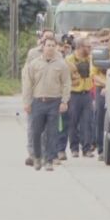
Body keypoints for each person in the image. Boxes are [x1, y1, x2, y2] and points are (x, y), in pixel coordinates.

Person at [22, 37, 71, 171]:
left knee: (52, 133)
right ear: (43, 47)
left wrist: (64, 101)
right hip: (38, 102)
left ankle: (49, 160)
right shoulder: (34, 64)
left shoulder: (61, 65)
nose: (50, 48)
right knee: (36, 132)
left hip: (54, 102)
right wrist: (27, 102)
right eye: (48, 45)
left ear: (56, 48)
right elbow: (28, 84)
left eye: (52, 45)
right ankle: (37, 157)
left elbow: (66, 83)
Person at [22, 30, 58, 166]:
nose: (48, 40)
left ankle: (47, 154)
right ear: (41, 40)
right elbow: (27, 76)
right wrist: (27, 99)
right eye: (46, 37)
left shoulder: (58, 55)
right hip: (35, 96)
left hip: (52, 98)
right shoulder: (33, 54)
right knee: (33, 127)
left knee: (50, 128)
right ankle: (32, 154)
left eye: (51, 38)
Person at [66, 37, 95, 158]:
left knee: (87, 122)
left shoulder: (91, 59)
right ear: (79, 47)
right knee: (73, 122)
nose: (90, 49)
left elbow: (93, 73)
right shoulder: (69, 59)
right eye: (87, 47)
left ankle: (87, 148)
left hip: (86, 93)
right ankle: (74, 148)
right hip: (74, 94)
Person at [93, 29, 110, 160]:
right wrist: (107, 84)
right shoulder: (95, 55)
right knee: (100, 118)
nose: (105, 43)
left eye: (107, 40)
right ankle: (101, 149)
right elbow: (93, 74)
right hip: (101, 89)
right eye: (102, 41)